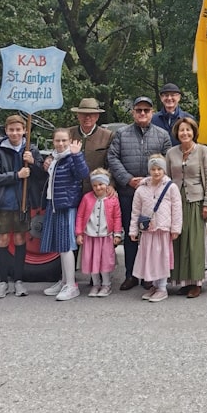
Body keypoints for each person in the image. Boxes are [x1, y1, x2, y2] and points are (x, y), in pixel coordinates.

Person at [107, 96, 172, 290]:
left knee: (152, 235)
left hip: (153, 195)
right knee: (131, 234)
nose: (142, 113)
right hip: (128, 191)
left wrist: (150, 181)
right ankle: (131, 274)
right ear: (133, 112)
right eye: (139, 110)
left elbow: (166, 161)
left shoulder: (162, 135)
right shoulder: (121, 134)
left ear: (152, 112)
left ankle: (149, 276)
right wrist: (127, 178)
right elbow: (112, 157)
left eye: (146, 110)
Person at [0, 114, 46, 298]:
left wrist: (33, 163)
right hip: (4, 202)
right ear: (6, 131)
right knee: (3, 239)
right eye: (11, 130)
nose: (15, 133)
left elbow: (40, 176)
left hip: (23, 202)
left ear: (25, 131)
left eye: (18, 130)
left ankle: (19, 281)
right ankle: (2, 281)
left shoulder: (31, 149)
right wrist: (16, 175)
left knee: (21, 239)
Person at [167, 117, 207, 298]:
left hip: (196, 201)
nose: (185, 133)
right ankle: (183, 280)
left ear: (194, 132)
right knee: (178, 240)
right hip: (176, 201)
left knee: (194, 241)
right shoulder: (171, 153)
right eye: (181, 130)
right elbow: (167, 179)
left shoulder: (202, 151)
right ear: (177, 133)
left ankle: (196, 281)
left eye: (188, 130)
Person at [41, 127, 90, 301]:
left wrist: (77, 155)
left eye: (64, 141)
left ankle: (71, 285)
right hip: (54, 203)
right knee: (61, 246)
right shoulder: (54, 158)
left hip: (66, 205)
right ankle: (64, 281)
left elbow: (83, 174)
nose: (61, 144)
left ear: (70, 141)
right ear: (53, 142)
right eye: (57, 141)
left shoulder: (71, 158)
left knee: (67, 245)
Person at [129, 155, 182, 302]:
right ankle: (154, 284)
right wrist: (133, 230)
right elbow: (135, 210)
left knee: (161, 258)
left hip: (163, 229)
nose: (156, 172)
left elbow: (177, 209)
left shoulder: (171, 187)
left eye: (159, 169)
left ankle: (162, 287)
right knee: (149, 258)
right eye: (153, 169)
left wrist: (175, 228)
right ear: (149, 170)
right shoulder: (141, 189)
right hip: (147, 230)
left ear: (164, 169)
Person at [75, 168, 123, 297]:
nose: (98, 187)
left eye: (101, 184)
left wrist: (117, 234)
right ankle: (96, 284)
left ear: (107, 184)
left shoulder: (112, 200)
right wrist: (79, 233)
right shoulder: (87, 198)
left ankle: (106, 284)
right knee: (92, 261)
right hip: (90, 236)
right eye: (95, 185)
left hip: (105, 236)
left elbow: (117, 217)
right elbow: (80, 215)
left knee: (105, 261)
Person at [65, 97, 114, 192]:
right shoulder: (68, 133)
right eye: (83, 114)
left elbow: (112, 164)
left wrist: (110, 184)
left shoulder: (108, 136)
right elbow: (57, 154)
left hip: (96, 189)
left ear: (97, 116)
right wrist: (49, 159)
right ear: (78, 115)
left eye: (91, 114)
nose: (87, 118)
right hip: (70, 189)